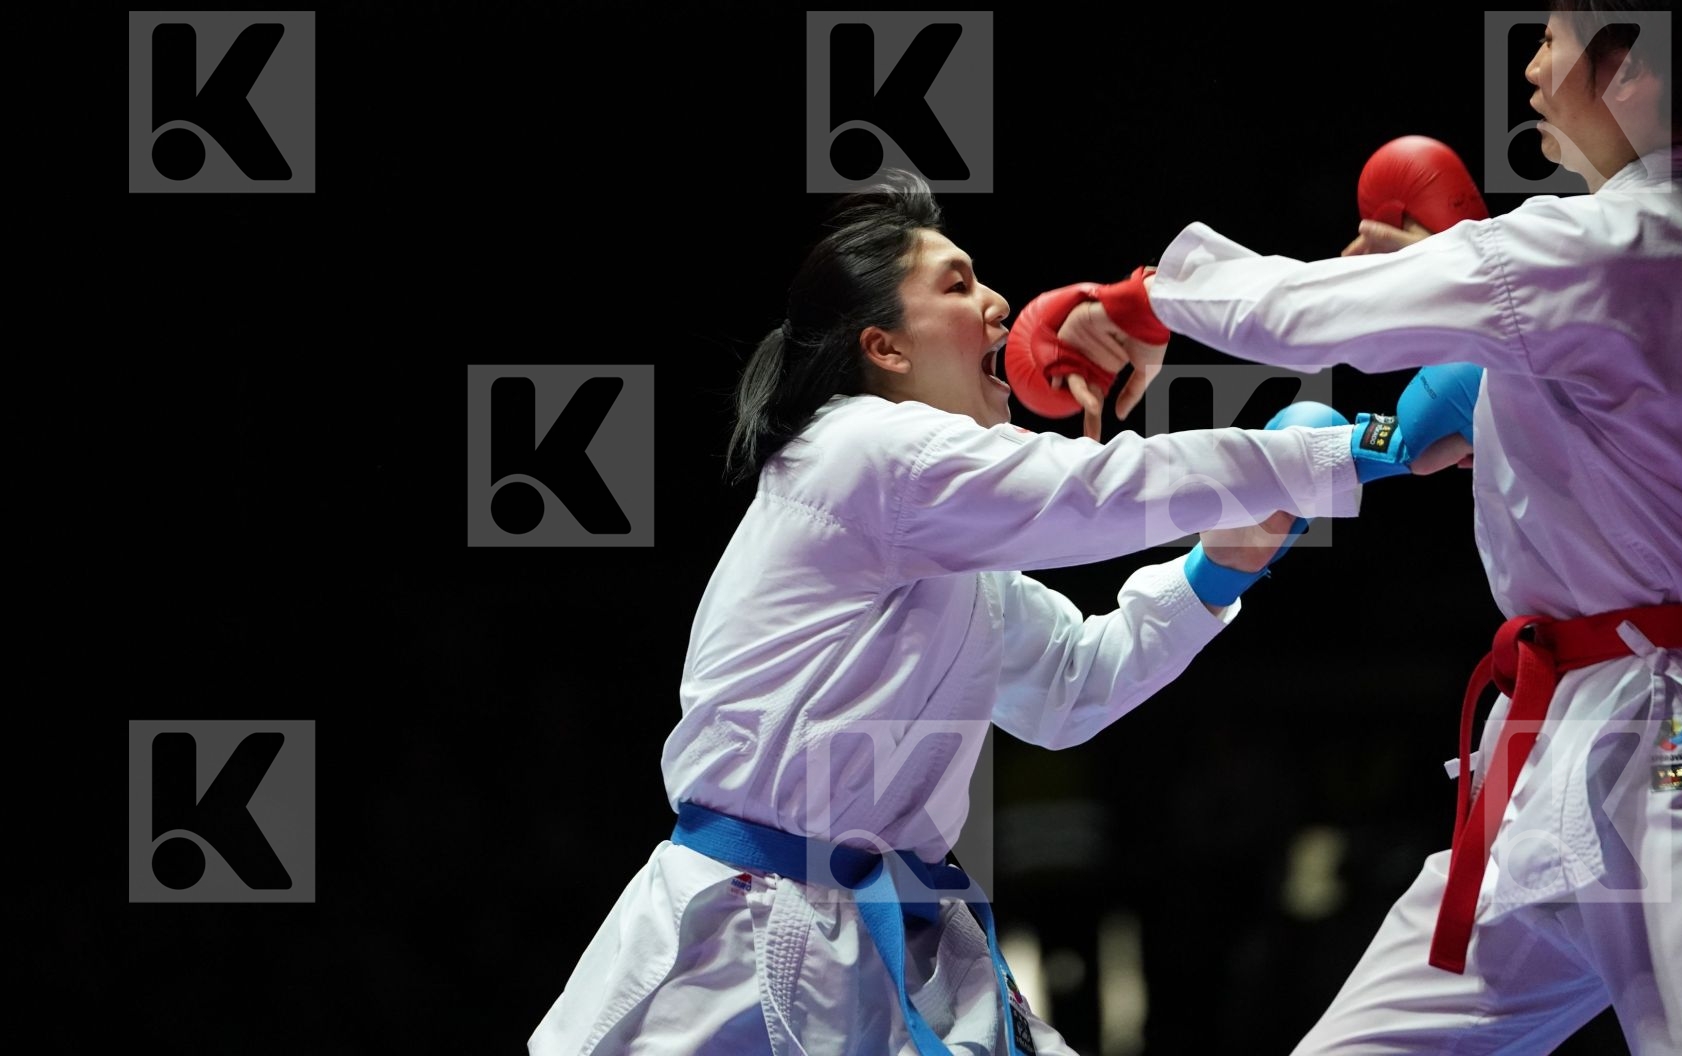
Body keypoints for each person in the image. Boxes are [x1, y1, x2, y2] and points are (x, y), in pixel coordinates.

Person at [1008, 0, 1682, 1055]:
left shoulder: (1599, 248)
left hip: (1678, 741)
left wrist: (1134, 302)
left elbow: (1302, 310)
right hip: (1558, 744)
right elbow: (1509, 405)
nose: (1532, 66)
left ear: (1630, 66)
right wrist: (1452, 308)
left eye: (1556, 35)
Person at [526, 168, 1388, 1056]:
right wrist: (1354, 450)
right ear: (886, 349)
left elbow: (1068, 685)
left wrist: (1217, 570)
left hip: (895, 941)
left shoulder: (942, 537)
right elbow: (1093, 493)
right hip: (744, 945)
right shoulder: (858, 448)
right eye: (958, 283)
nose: (1000, 302)